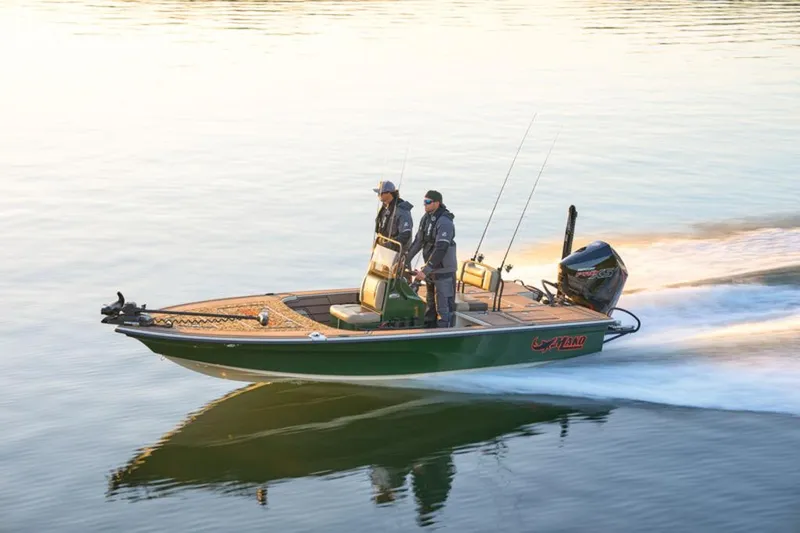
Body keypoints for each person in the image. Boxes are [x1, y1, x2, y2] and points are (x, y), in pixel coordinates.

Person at [405, 190, 457, 328]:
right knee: (430, 302)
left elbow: (441, 249)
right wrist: (404, 260)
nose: (425, 205)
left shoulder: (445, 222)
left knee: (443, 305)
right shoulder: (426, 218)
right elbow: (418, 242)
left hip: (443, 269)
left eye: (428, 202)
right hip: (431, 269)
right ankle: (429, 326)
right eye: (424, 202)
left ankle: (446, 330)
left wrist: (426, 269)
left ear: (437, 203)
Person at [373, 180, 414, 253]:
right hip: (383, 252)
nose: (378, 195)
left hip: (396, 253)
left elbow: (405, 235)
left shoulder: (402, 211)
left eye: (380, 193)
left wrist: (390, 244)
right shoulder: (385, 208)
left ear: (389, 193)